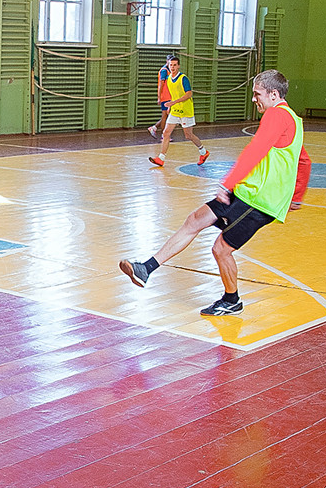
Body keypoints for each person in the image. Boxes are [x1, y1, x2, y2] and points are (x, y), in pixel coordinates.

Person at [120, 69, 303, 316]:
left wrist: (228, 182)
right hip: (247, 193)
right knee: (195, 219)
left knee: (221, 249)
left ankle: (232, 300)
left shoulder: (276, 115)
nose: (253, 99)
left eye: (257, 94)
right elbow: (303, 160)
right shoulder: (294, 119)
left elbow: (256, 150)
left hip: (259, 201)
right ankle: (146, 269)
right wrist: (296, 196)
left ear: (273, 94)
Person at [149, 56, 208, 168]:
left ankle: (203, 152)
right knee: (166, 133)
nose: (172, 67)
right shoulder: (168, 79)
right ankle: (161, 158)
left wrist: (174, 102)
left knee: (188, 135)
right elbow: (173, 94)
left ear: (178, 66)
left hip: (185, 110)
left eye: (175, 65)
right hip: (175, 110)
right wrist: (171, 105)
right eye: (171, 65)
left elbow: (189, 94)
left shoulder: (183, 78)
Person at [147, 54, 173, 139]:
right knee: (165, 115)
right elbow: (161, 85)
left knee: (168, 116)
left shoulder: (170, 70)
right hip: (165, 97)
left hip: (170, 96)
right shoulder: (164, 71)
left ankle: (154, 127)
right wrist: (159, 97)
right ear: (167, 61)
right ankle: (164, 135)